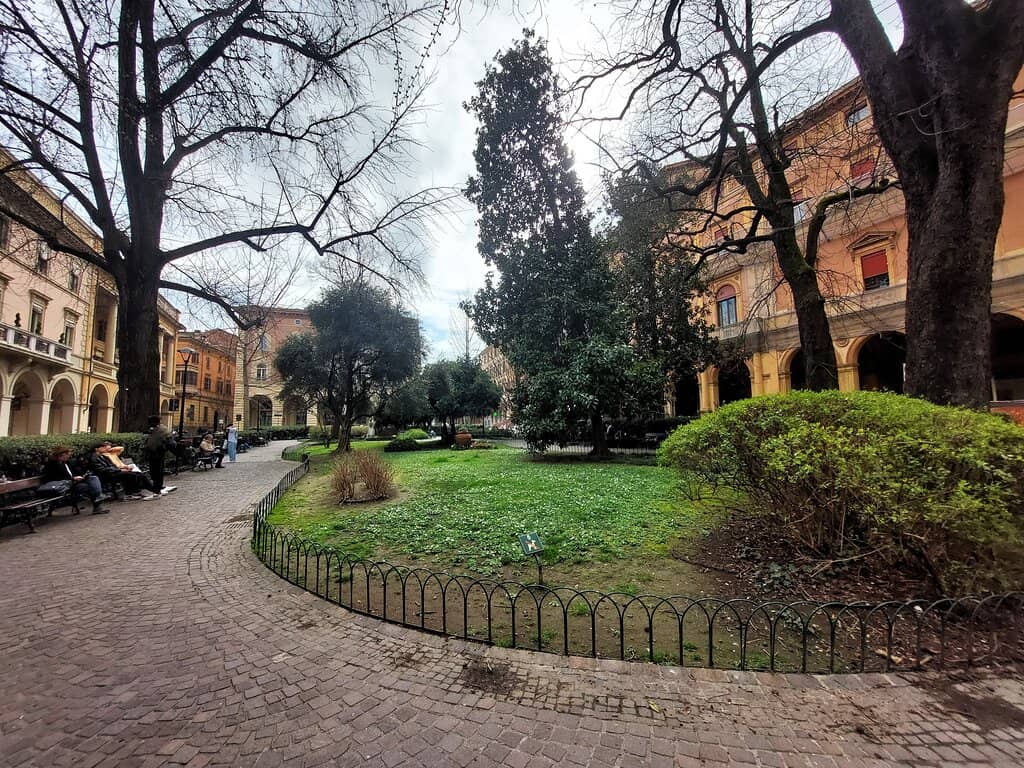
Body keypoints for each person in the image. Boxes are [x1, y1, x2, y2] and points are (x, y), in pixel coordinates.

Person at [42, 446, 109, 514]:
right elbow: (54, 478)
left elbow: (77, 472)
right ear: (62, 455)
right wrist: (72, 479)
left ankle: (98, 498)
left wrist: (83, 476)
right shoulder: (52, 465)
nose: (69, 455)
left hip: (74, 482)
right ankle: (97, 504)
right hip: (63, 486)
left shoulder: (68, 462)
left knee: (93, 478)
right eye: (68, 454)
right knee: (89, 487)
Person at [89, 442, 159, 500]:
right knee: (130, 475)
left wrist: (121, 469)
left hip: (113, 472)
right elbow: (102, 469)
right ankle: (129, 494)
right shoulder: (94, 458)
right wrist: (119, 470)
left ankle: (153, 490)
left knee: (138, 474)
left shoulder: (102, 456)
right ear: (96, 449)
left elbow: (112, 465)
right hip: (107, 475)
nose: (105, 449)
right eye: (103, 447)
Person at [144, 416, 177, 495]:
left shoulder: (158, 430)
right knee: (158, 470)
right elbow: (170, 442)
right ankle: (158, 487)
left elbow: (150, 443)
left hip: (155, 453)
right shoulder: (161, 430)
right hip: (158, 453)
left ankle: (157, 487)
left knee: (156, 470)